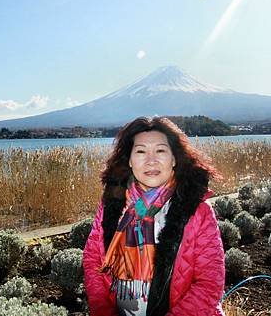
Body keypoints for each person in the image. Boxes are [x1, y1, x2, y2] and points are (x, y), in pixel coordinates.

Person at [83, 116, 225, 316]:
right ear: (130, 161)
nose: (151, 160)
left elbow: (209, 283)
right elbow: (93, 262)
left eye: (160, 150)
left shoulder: (196, 209)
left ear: (174, 158)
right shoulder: (112, 205)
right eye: (140, 151)